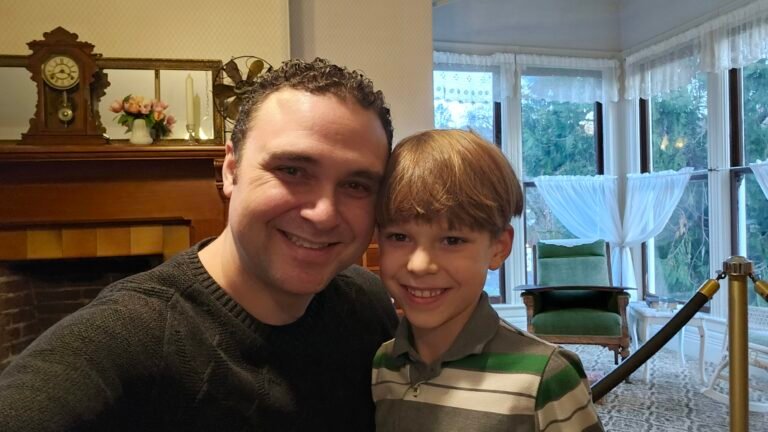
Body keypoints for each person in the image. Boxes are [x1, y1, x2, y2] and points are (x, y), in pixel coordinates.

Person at [0, 58, 399, 431]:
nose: (324, 213)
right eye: (292, 170)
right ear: (230, 169)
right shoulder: (125, 338)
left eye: (356, 185)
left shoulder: (369, 304)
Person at [371, 130, 604, 432]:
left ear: (498, 247)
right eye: (399, 237)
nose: (419, 265)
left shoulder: (546, 376)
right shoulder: (383, 364)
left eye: (452, 240)